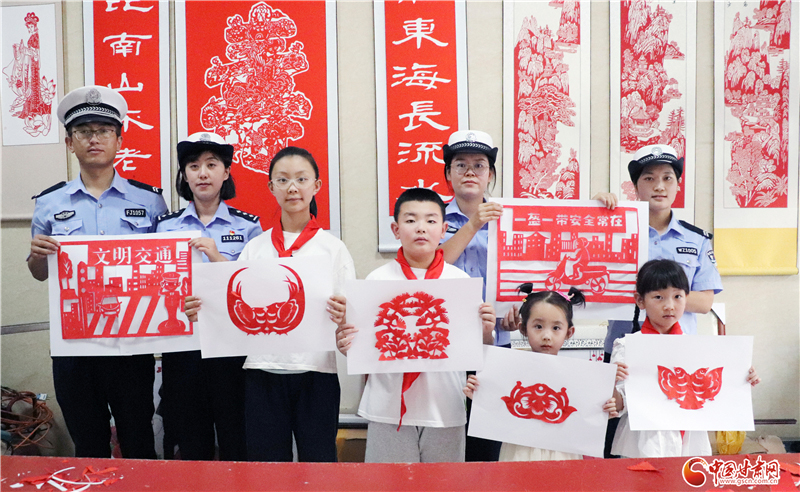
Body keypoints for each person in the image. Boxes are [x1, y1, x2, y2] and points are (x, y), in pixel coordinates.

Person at [187, 146, 353, 462]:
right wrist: (203, 310)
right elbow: (231, 305)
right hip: (261, 372)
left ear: (316, 186)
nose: (292, 188)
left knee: (319, 464)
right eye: (283, 179)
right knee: (266, 466)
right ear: (271, 187)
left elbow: (350, 320)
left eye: (301, 179)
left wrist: (345, 314)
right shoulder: (256, 247)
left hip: (316, 371)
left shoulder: (333, 249)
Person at [28, 85, 167, 458]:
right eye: (84, 131)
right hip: (74, 345)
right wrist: (38, 256)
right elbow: (39, 273)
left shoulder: (149, 200)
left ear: (119, 140)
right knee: (88, 444)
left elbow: (162, 269)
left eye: (104, 130)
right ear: (69, 143)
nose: (94, 139)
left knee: (139, 441)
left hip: (131, 344)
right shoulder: (49, 202)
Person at [335, 188, 497, 463]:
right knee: (388, 482)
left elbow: (483, 347)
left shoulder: (460, 281)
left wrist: (485, 329)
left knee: (444, 483)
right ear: (395, 229)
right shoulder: (377, 281)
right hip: (386, 407)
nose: (421, 228)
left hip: (445, 406)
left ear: (444, 229)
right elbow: (361, 349)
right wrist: (345, 344)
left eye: (431, 220)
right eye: (411, 220)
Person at [593, 144, 723, 457]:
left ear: (678, 185)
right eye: (649, 178)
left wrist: (660, 297)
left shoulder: (696, 239)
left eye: (667, 178)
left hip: (680, 353)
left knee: (679, 442)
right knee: (619, 440)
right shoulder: (615, 228)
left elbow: (705, 302)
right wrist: (594, 212)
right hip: (625, 348)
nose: (659, 186)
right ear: (635, 186)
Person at [156, 132, 262, 461]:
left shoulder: (249, 226)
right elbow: (152, 286)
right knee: (190, 443)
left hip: (232, 347)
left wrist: (217, 257)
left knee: (236, 439)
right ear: (184, 175)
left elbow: (255, 289)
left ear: (226, 172)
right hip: (183, 347)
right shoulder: (164, 226)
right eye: (193, 166)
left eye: (212, 165)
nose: (203, 173)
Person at [610, 259, 760, 458]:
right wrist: (610, 381)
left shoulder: (698, 348)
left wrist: (742, 378)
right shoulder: (626, 346)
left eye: (677, 296)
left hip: (691, 439)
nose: (669, 306)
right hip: (644, 441)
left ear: (686, 298)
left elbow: (716, 392)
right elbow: (619, 405)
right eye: (658, 297)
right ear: (640, 300)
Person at [464, 285, 617, 461]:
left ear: (569, 332)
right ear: (523, 328)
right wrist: (481, 394)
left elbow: (589, 414)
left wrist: (605, 409)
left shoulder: (581, 377)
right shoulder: (508, 371)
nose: (546, 336)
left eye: (556, 328)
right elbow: (496, 407)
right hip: (519, 452)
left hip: (564, 453)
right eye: (538, 326)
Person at [438, 129, 509, 461]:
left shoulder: (511, 219)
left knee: (486, 446)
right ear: (448, 174)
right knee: (445, 439)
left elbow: (529, 284)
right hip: (443, 344)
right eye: (461, 165)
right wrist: (473, 224)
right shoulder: (432, 216)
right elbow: (430, 266)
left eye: (479, 165)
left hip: (494, 345)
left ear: (490, 175)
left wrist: (519, 311)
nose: (470, 172)